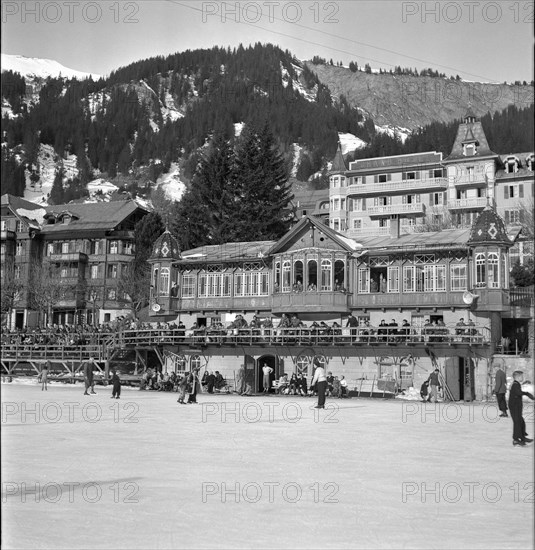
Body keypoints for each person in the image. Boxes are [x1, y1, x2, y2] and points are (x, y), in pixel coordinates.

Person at [508, 370, 534, 446]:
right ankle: (516, 439)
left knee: (521, 421)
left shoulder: (516, 384)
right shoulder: (515, 384)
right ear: (518, 377)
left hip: (517, 406)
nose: (523, 377)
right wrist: (527, 393)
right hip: (514, 406)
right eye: (522, 376)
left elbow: (518, 393)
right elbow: (518, 393)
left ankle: (522, 437)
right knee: (517, 422)